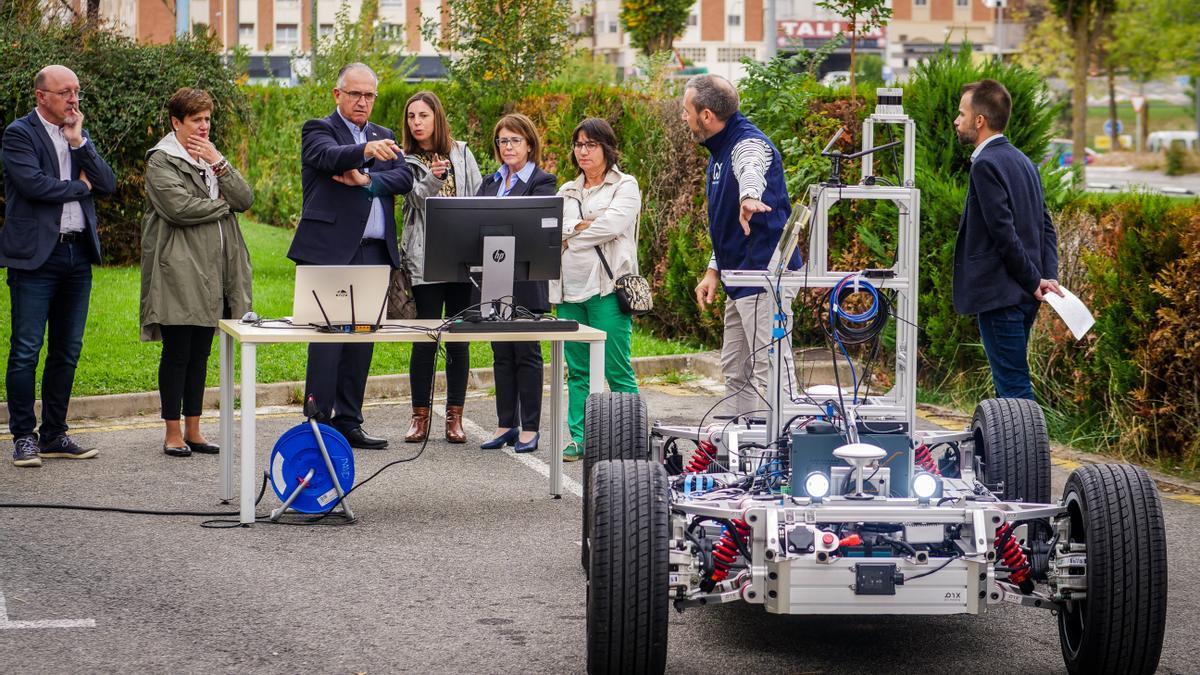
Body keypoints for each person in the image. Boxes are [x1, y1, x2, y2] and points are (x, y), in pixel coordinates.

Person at [287, 63, 413, 449]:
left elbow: (405, 178)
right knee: (328, 340)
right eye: (355, 94)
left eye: (369, 95)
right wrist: (363, 152)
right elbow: (328, 157)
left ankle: (349, 422)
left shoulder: (385, 135)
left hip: (374, 253)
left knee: (362, 340)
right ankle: (318, 422)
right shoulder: (318, 129)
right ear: (337, 94)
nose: (362, 101)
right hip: (331, 253)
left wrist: (369, 181)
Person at [1, 65, 115, 468]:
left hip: (76, 255)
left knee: (67, 350)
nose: (73, 99)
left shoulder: (78, 136)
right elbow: (34, 185)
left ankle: (53, 434)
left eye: (77, 91)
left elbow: (107, 183)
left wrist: (80, 142)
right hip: (35, 257)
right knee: (26, 351)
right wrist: (79, 187)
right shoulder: (19, 134)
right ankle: (22, 437)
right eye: (65, 92)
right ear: (41, 97)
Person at [140, 87, 254, 457]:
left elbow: (245, 199)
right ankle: (172, 431)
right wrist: (220, 205)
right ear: (177, 123)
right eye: (196, 120)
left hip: (215, 271)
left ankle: (194, 429)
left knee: (201, 353)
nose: (204, 126)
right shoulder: (161, 160)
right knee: (177, 352)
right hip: (179, 269)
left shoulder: (211, 159)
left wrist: (221, 163)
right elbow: (178, 208)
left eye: (207, 119)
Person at [683, 74, 800, 421]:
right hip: (740, 278)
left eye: (685, 110)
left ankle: (788, 447)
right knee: (736, 368)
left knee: (772, 367)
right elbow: (728, 227)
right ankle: (740, 444)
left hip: (766, 279)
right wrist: (713, 270)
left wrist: (750, 196)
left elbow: (752, 169)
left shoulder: (747, 143)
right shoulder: (719, 149)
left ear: (706, 115)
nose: (683, 117)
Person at [953, 79, 1061, 400]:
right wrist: (1046, 277)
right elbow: (1046, 226)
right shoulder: (1023, 161)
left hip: (1002, 297)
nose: (957, 122)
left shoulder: (986, 164)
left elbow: (1004, 234)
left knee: (1014, 390)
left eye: (962, 114)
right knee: (1012, 386)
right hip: (1025, 297)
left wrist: (1032, 280)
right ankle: (1013, 448)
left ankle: (1026, 452)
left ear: (980, 121)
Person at [552, 118, 641, 462]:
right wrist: (581, 229)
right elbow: (555, 229)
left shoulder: (625, 185)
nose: (583, 151)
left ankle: (631, 438)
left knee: (617, 368)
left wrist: (573, 235)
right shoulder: (567, 190)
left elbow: (614, 225)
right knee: (578, 371)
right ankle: (580, 437)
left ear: (607, 148)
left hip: (606, 289)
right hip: (569, 292)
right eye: (578, 144)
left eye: (591, 144)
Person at [398, 91, 482, 444]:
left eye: (423, 116)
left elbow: (477, 195)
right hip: (424, 258)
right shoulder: (404, 159)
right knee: (426, 339)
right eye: (412, 117)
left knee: (459, 340)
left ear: (437, 118)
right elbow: (415, 200)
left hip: (462, 257)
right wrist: (432, 177)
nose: (417, 123)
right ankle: (419, 417)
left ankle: (455, 417)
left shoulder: (462, 151)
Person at [477, 113, 557, 454]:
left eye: (515, 140)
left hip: (525, 280)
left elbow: (536, 227)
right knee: (501, 355)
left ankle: (531, 428)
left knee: (526, 353)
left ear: (529, 144)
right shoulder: (489, 182)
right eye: (502, 141)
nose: (508, 146)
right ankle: (505, 423)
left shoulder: (542, 181)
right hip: (494, 279)